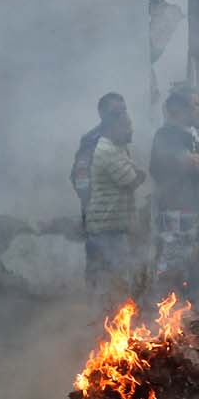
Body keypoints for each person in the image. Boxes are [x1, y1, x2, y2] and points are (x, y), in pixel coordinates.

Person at [149, 87, 199, 300]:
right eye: (193, 105)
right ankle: (169, 311)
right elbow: (185, 163)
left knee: (197, 260)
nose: (197, 110)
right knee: (173, 263)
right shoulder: (165, 135)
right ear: (178, 109)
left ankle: (195, 308)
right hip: (176, 210)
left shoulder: (197, 133)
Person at [87, 105, 145, 300]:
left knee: (118, 278)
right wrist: (138, 175)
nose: (131, 129)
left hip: (114, 227)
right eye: (126, 125)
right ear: (113, 127)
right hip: (107, 227)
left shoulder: (119, 148)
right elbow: (132, 180)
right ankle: (107, 324)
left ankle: (112, 321)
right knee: (114, 280)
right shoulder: (107, 150)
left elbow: (136, 175)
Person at [73, 91, 127, 283]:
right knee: (99, 269)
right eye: (115, 113)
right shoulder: (92, 141)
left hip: (119, 220)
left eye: (124, 112)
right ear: (102, 114)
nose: (121, 117)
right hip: (99, 221)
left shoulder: (121, 138)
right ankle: (95, 310)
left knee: (120, 271)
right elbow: (80, 178)